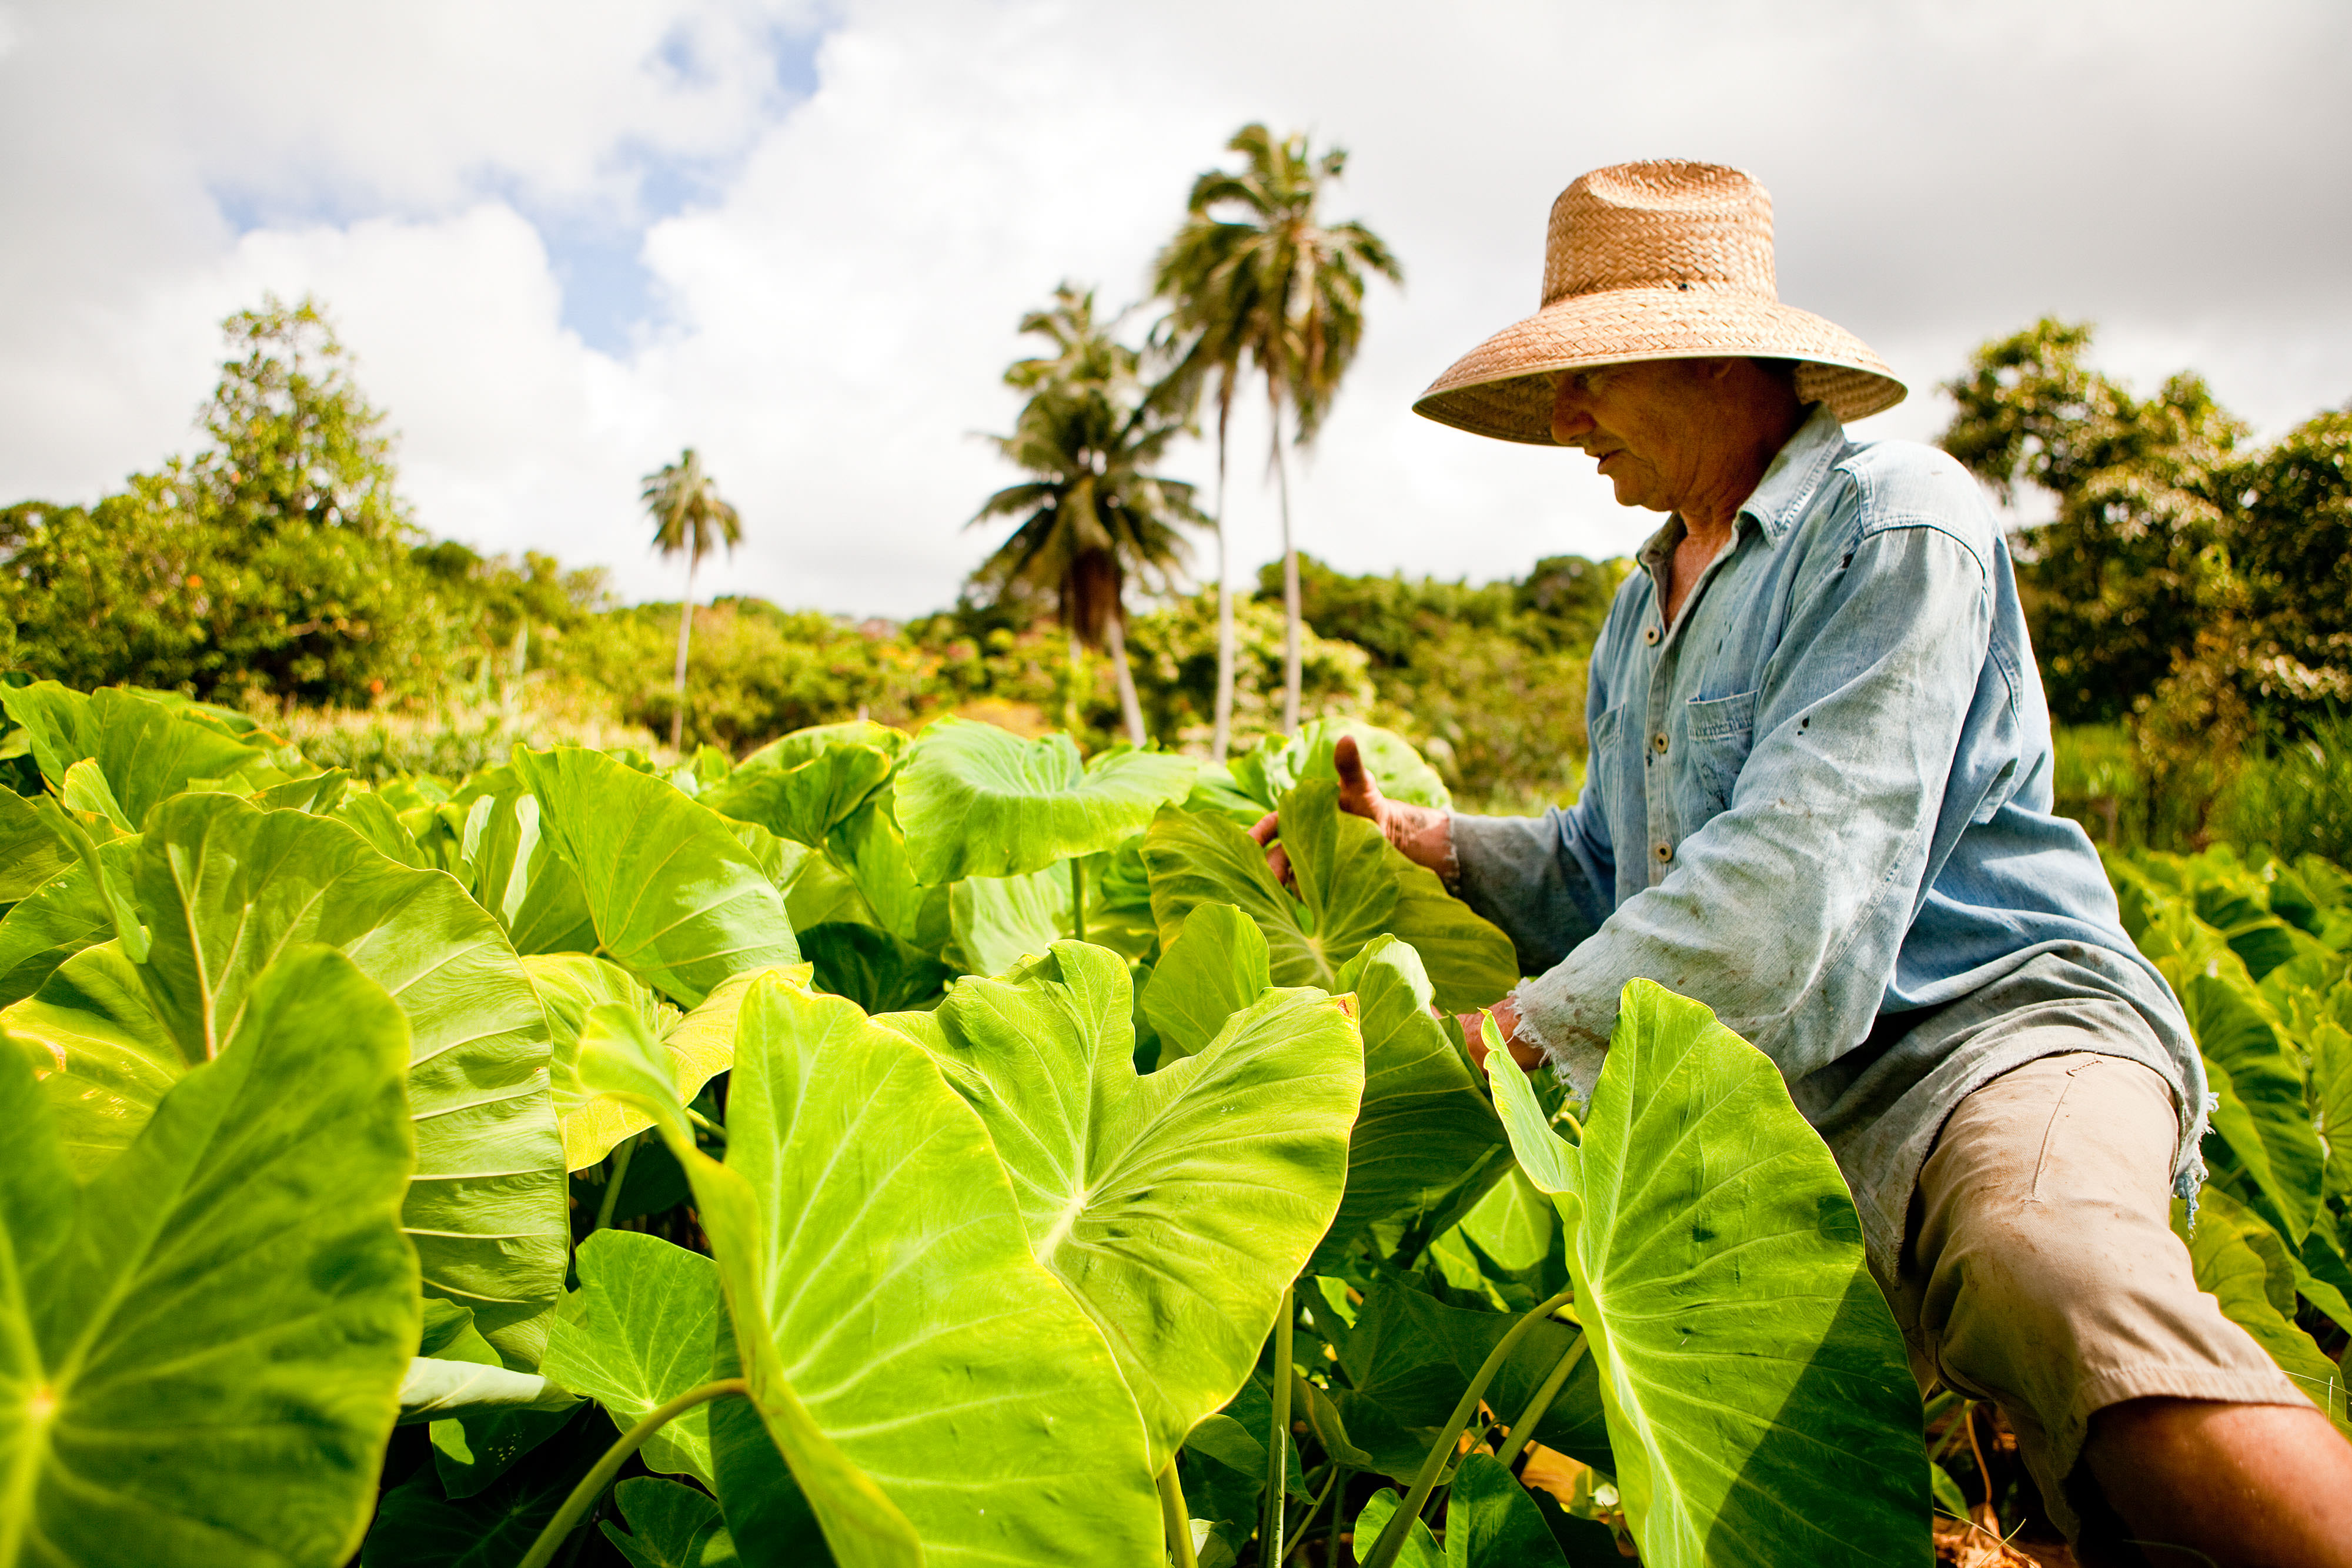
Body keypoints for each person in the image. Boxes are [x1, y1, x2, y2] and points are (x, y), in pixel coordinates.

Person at [1248, 161, 2352, 1566]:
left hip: (1989, 1032)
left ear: (1714, 352)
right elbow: (1610, 868)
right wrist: (1422, 842)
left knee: (2048, 1269)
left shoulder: (1893, 521)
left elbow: (1793, 884)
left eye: (1589, 376)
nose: (1566, 419)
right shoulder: (1640, 607)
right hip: (1789, 1102)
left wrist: (1508, 1034)